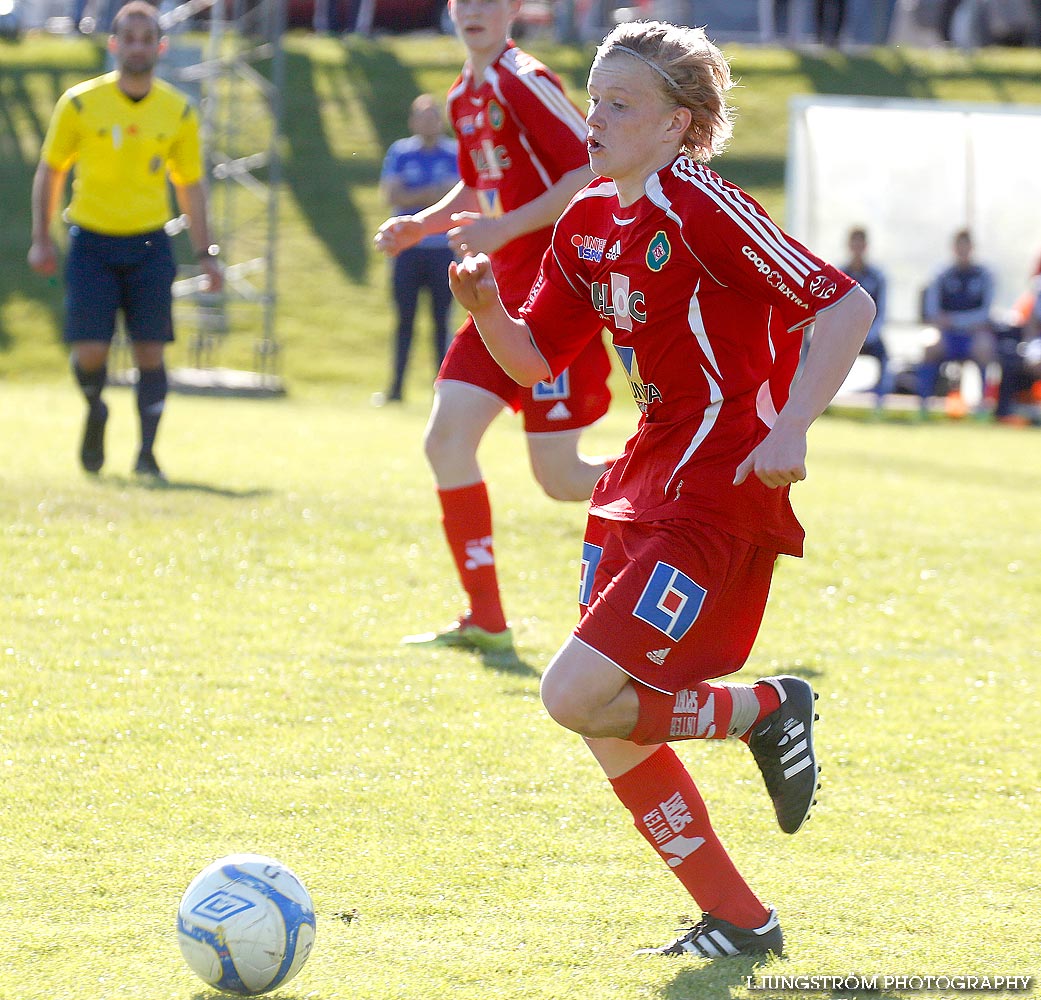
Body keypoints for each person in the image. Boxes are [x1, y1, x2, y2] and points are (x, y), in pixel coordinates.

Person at [450, 19, 874, 957]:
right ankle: (739, 918)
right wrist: (484, 310)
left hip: (716, 485)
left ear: (681, 124)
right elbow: (530, 362)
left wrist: (792, 424)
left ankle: (762, 710)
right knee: (606, 719)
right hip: (641, 479)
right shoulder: (587, 217)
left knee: (574, 694)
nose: (592, 119)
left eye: (618, 104)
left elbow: (845, 303)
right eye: (593, 98)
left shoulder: (704, 205)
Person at [374, 0, 615, 654]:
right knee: (445, 439)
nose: (475, 12)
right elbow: (481, 188)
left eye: (490, 1)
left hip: (556, 296)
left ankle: (687, 473)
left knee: (561, 478)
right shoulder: (463, 92)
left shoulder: (523, 79)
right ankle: (485, 618)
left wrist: (505, 227)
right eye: (464, 2)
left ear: (514, 9)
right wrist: (421, 225)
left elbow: (592, 168)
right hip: (498, 295)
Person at [28, 0, 222, 481]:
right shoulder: (78, 102)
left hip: (150, 244)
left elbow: (190, 185)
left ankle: (147, 454)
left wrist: (205, 253)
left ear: (160, 45)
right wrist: (42, 238)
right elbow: (51, 171)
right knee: (90, 351)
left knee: (150, 350)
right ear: (113, 44)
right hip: (91, 241)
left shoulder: (177, 110)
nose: (137, 46)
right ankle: (95, 409)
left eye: (145, 38)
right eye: (127, 38)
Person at [375, 94, 460, 406]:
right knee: (404, 320)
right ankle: (395, 389)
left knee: (442, 322)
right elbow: (391, 193)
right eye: (422, 116)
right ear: (413, 121)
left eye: (433, 116)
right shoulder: (400, 152)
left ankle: (443, 393)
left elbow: (459, 199)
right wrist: (432, 194)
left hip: (441, 251)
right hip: (407, 253)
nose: (428, 122)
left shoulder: (454, 153)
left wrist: (416, 197)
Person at [916, 229, 996, 416]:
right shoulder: (941, 274)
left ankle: (984, 409)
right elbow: (932, 311)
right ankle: (924, 406)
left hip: (973, 334)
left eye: (966, 246)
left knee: (986, 348)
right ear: (953, 248)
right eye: (959, 246)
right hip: (947, 333)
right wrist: (945, 321)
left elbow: (984, 313)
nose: (963, 250)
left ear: (972, 248)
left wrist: (956, 320)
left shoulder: (984, 275)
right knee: (930, 346)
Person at [841, 226, 891, 411]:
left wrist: (868, 336)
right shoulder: (839, 274)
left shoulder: (877, 276)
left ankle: (880, 403)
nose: (857, 247)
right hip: (844, 336)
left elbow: (882, 311)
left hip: (869, 336)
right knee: (815, 350)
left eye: (860, 243)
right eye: (854, 243)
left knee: (884, 356)